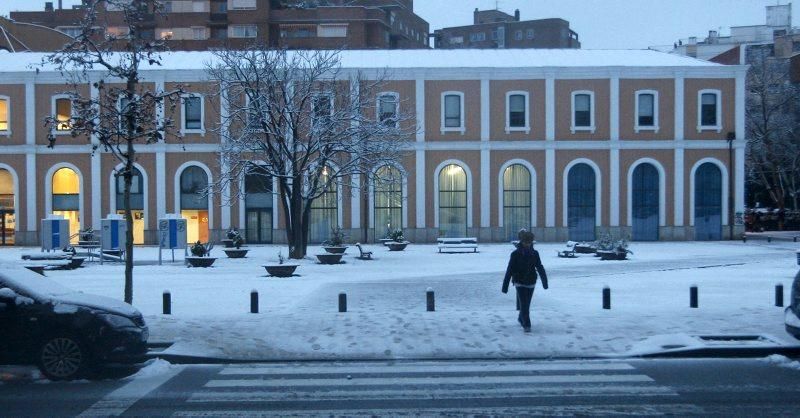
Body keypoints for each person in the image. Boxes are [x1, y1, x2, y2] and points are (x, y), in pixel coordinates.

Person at [502, 229, 548, 332]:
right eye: (525, 242)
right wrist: (505, 286)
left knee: (526, 304)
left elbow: (539, 267)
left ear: (531, 242)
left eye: (529, 242)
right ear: (521, 242)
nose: (527, 244)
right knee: (524, 304)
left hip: (531, 281)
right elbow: (510, 269)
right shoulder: (515, 254)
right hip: (519, 281)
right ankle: (527, 325)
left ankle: (520, 317)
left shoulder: (535, 253)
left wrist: (545, 281)